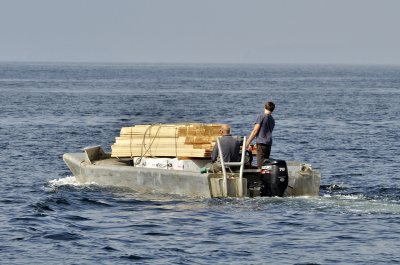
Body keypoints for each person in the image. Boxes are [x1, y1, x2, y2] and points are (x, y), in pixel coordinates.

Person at [245, 101, 275, 168]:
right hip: (268, 143)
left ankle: (261, 178)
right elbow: (266, 132)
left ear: (264, 107)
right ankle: (266, 177)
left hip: (261, 143)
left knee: (260, 165)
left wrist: (247, 142)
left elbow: (255, 131)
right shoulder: (272, 119)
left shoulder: (261, 116)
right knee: (265, 164)